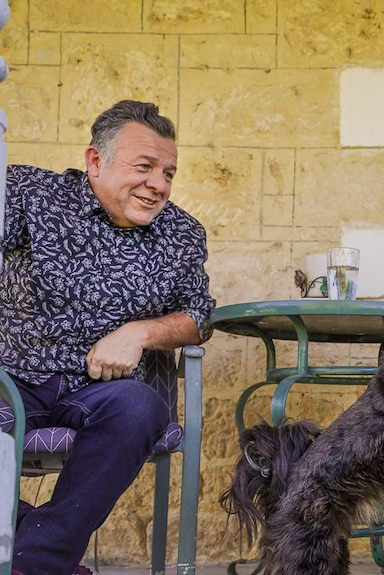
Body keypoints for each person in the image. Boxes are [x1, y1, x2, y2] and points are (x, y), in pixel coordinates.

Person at [0, 100, 216, 575]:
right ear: (95, 161)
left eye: (168, 173)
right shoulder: (29, 192)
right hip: (13, 380)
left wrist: (140, 332)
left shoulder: (181, 233)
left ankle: (32, 564)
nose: (158, 184)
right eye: (145, 167)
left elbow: (198, 316)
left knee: (141, 406)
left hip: (102, 391)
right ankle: (45, 561)